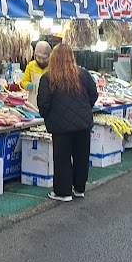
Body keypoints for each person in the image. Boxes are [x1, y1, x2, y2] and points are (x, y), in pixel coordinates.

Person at [37, 43, 99, 202]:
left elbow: (43, 103)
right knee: (81, 157)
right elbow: (93, 94)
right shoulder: (83, 74)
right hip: (83, 125)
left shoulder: (48, 78)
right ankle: (79, 189)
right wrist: (84, 109)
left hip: (60, 126)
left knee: (62, 158)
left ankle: (63, 192)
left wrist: (49, 117)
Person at [21, 41, 52, 108]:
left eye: (44, 58)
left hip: (48, 104)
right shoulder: (31, 65)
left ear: (49, 56)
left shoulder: (53, 67)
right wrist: (27, 85)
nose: (41, 61)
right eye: (39, 58)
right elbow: (24, 81)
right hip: (32, 104)